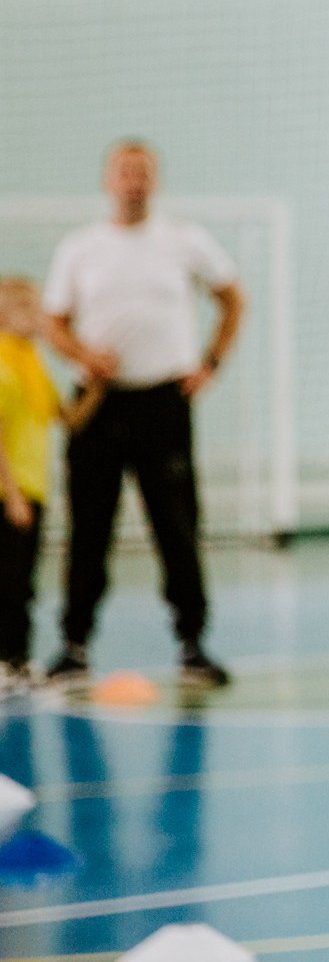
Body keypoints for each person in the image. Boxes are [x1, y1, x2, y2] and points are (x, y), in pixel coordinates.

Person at [40, 141, 241, 689]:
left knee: (176, 526)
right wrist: (86, 355)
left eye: (143, 173)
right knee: (89, 529)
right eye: (125, 173)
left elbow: (231, 298)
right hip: (102, 404)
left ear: (155, 181)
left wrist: (210, 362)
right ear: (108, 179)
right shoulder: (81, 248)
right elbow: (54, 323)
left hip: (163, 402)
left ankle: (193, 643)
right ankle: (74, 644)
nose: (134, 182)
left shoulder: (185, 241)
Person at [0, 277, 61, 691]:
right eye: (26, 307)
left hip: (34, 487)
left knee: (22, 581)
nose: (36, 315)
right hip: (9, 490)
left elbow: (65, 417)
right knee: (5, 579)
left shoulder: (33, 362)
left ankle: (18, 658)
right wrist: (13, 493)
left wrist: (98, 380)